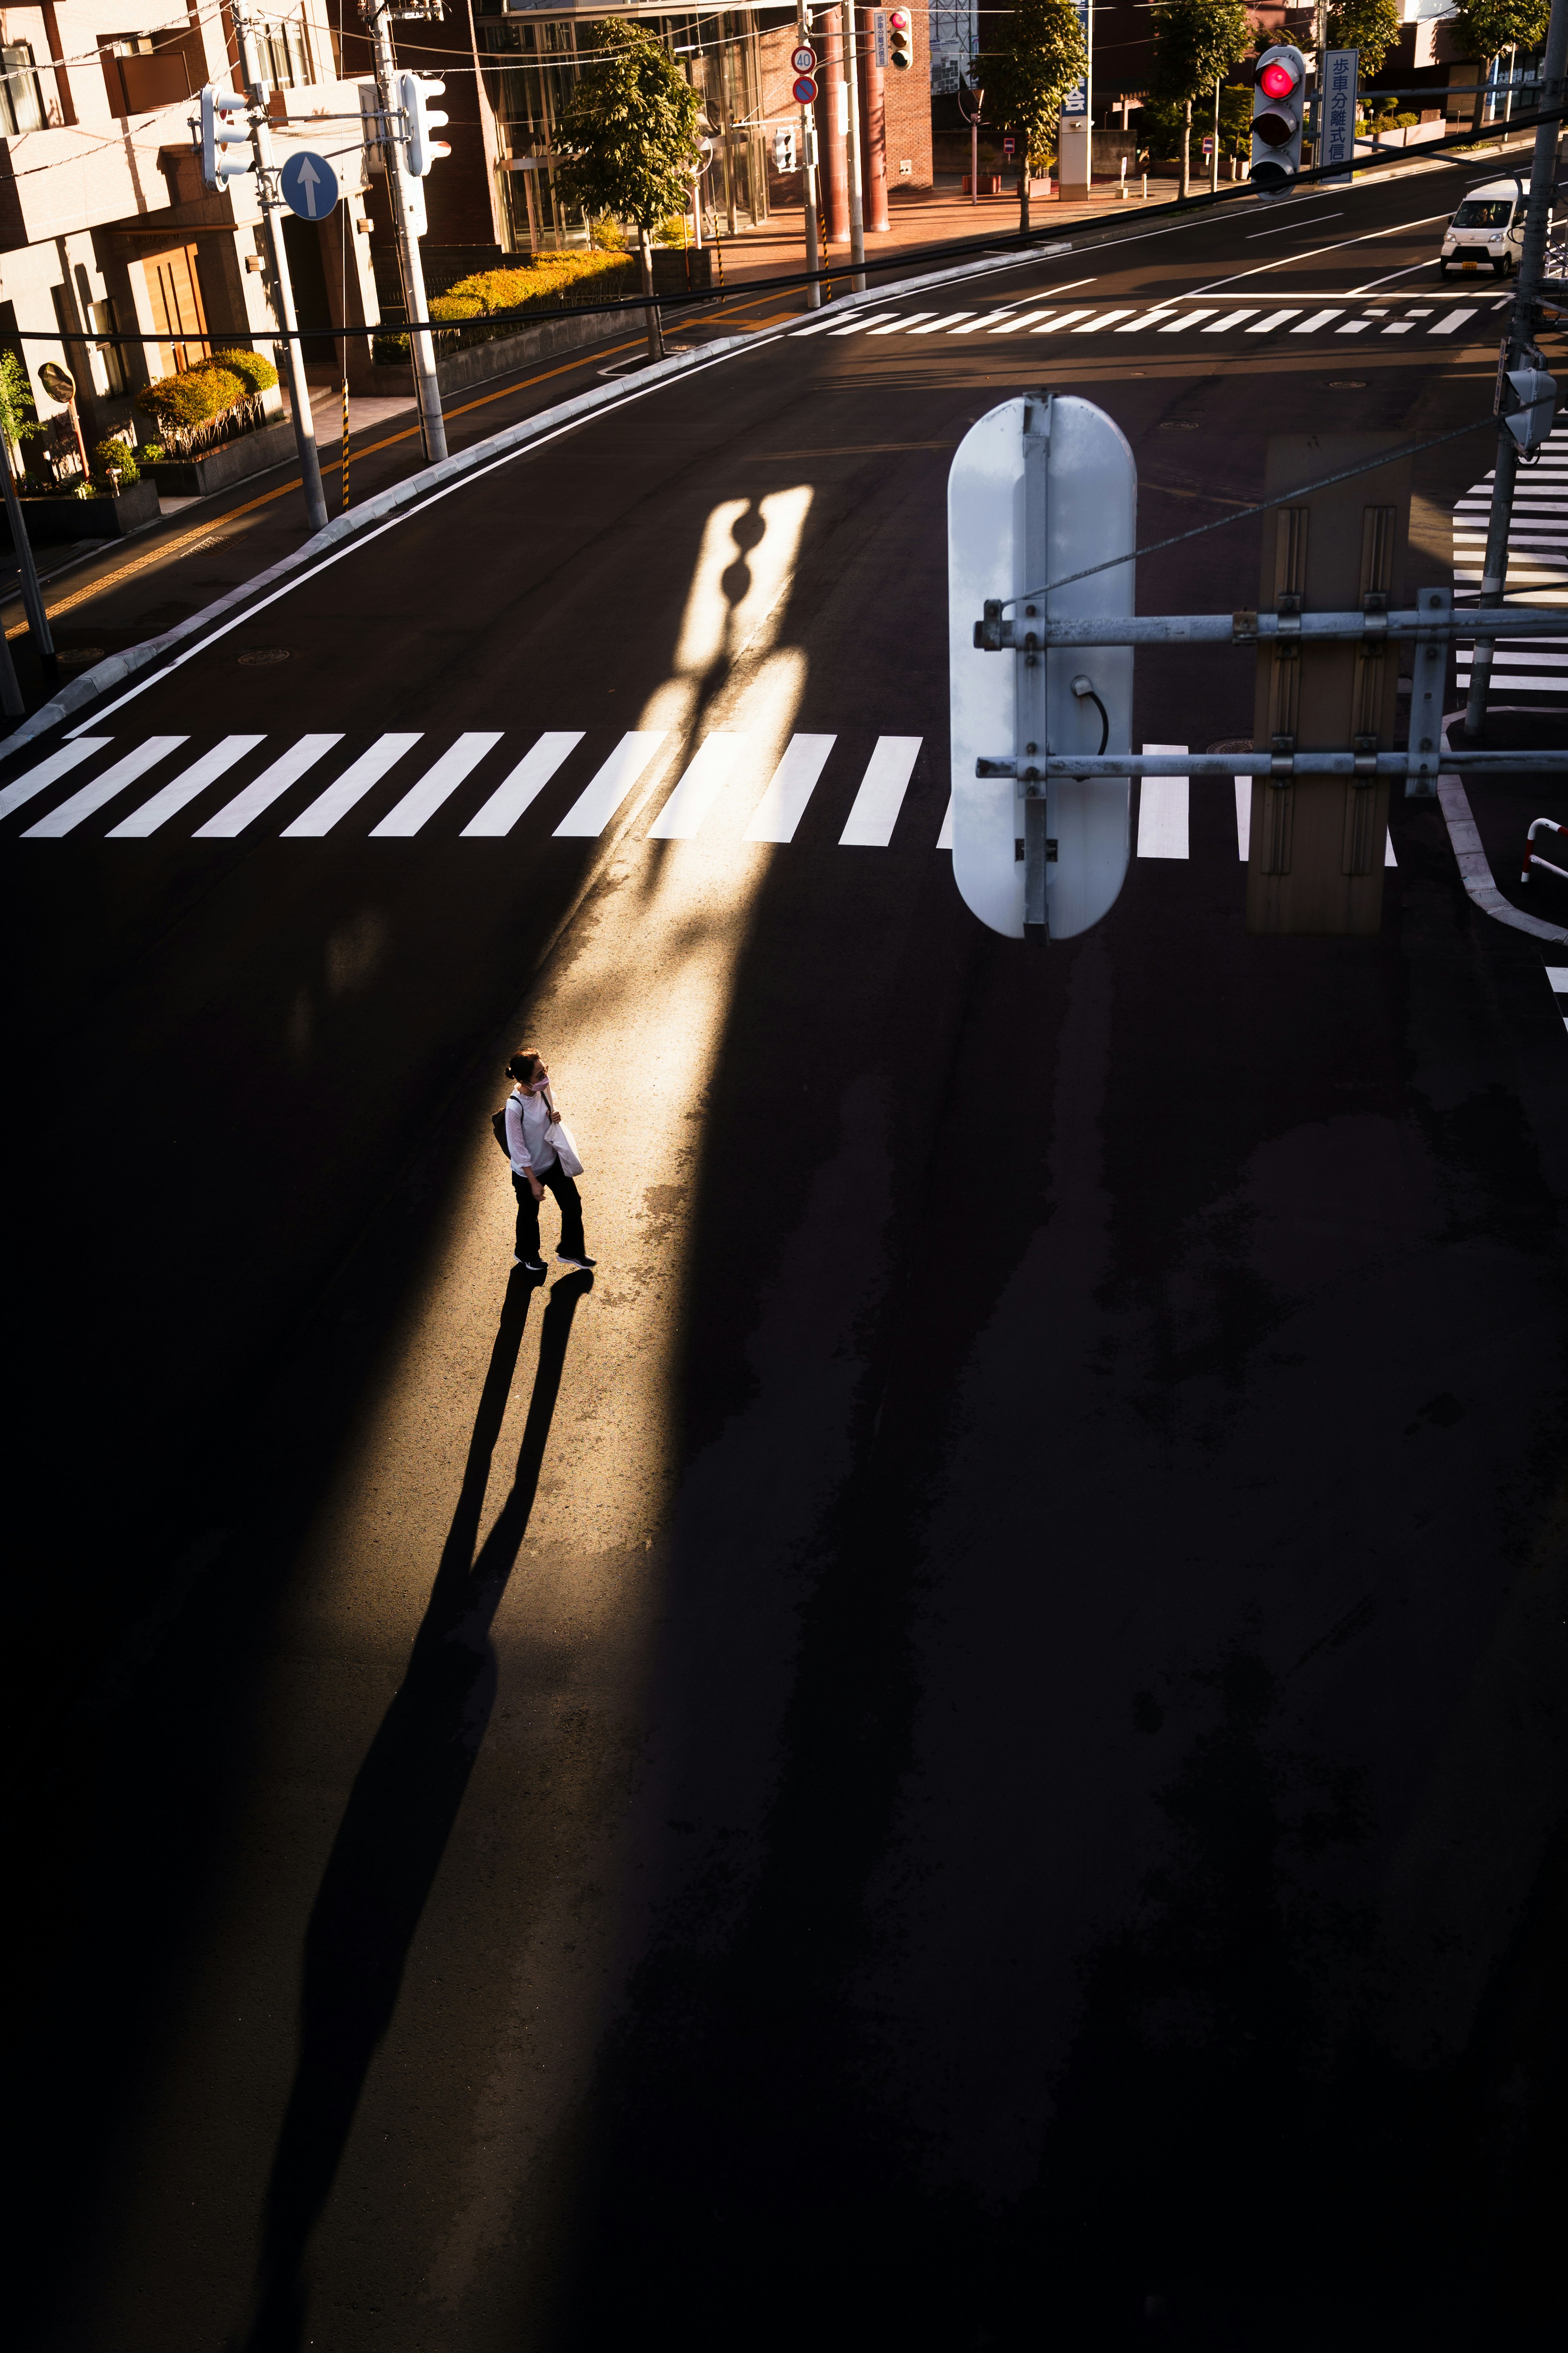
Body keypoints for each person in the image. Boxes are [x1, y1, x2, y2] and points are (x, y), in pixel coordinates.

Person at [504, 1048, 595, 1275]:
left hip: (552, 1162)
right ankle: (526, 1255)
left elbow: (549, 1113)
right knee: (529, 1214)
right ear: (525, 1080)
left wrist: (554, 1116)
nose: (545, 1077)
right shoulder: (515, 1108)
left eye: (545, 1070)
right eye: (539, 1075)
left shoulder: (544, 1089)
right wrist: (534, 1182)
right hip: (528, 1172)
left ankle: (571, 1251)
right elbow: (518, 1149)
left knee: (573, 1204)